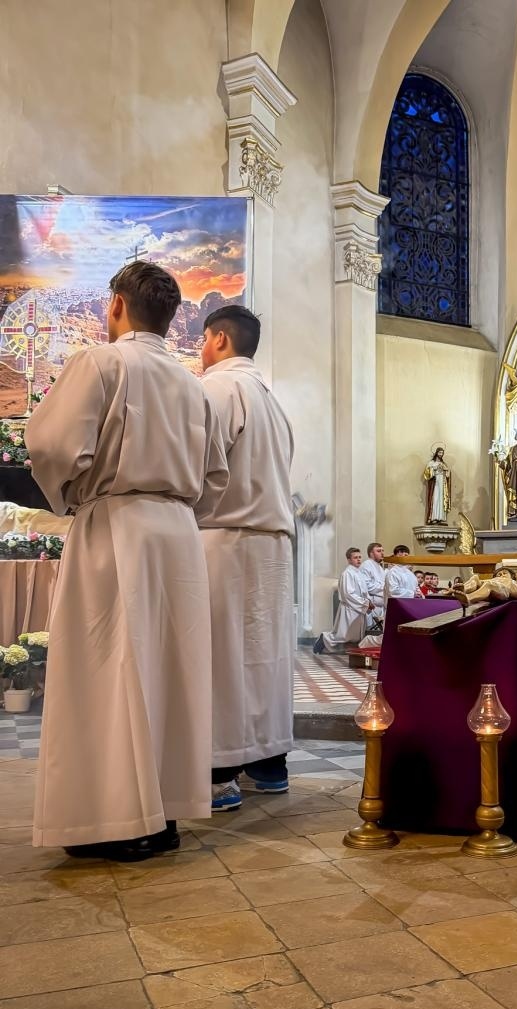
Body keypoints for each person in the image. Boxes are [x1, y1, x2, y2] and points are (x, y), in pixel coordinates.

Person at [25, 261, 228, 861]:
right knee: (169, 673)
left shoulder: (101, 362)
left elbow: (50, 444)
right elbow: (216, 475)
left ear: (115, 304)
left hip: (117, 524)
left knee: (108, 671)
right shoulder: (193, 384)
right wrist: (181, 506)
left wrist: (71, 494)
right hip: (179, 534)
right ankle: (163, 813)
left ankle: (116, 820)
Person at [198, 304, 295, 813]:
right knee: (266, 658)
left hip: (225, 539)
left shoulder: (218, 388)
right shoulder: (271, 400)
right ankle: (268, 764)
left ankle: (218, 775)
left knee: (221, 657)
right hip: (272, 544)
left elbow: (199, 466)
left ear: (219, 339)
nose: (200, 351)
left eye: (202, 340)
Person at [313, 548, 370, 654]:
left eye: (359, 557)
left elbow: (364, 591)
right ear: (349, 560)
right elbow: (348, 594)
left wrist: (368, 601)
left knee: (354, 635)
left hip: (358, 608)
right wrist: (365, 603)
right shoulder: (347, 573)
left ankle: (348, 650)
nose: (358, 560)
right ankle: (324, 638)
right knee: (343, 635)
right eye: (355, 558)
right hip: (350, 608)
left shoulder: (359, 573)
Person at [360, 541, 386, 625]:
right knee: (371, 629)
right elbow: (367, 586)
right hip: (372, 606)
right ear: (371, 553)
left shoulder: (379, 567)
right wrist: (384, 588)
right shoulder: (366, 565)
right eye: (378, 551)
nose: (382, 553)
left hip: (380, 606)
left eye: (382, 550)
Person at [423, 448, 451, 525]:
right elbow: (426, 474)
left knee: (442, 500)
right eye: (439, 452)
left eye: (442, 453)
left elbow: (448, 474)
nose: (441, 454)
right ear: (436, 453)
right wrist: (434, 468)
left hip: (442, 483)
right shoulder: (431, 463)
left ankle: (441, 518)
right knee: (435, 499)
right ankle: (434, 518)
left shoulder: (443, 463)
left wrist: (446, 470)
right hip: (435, 483)